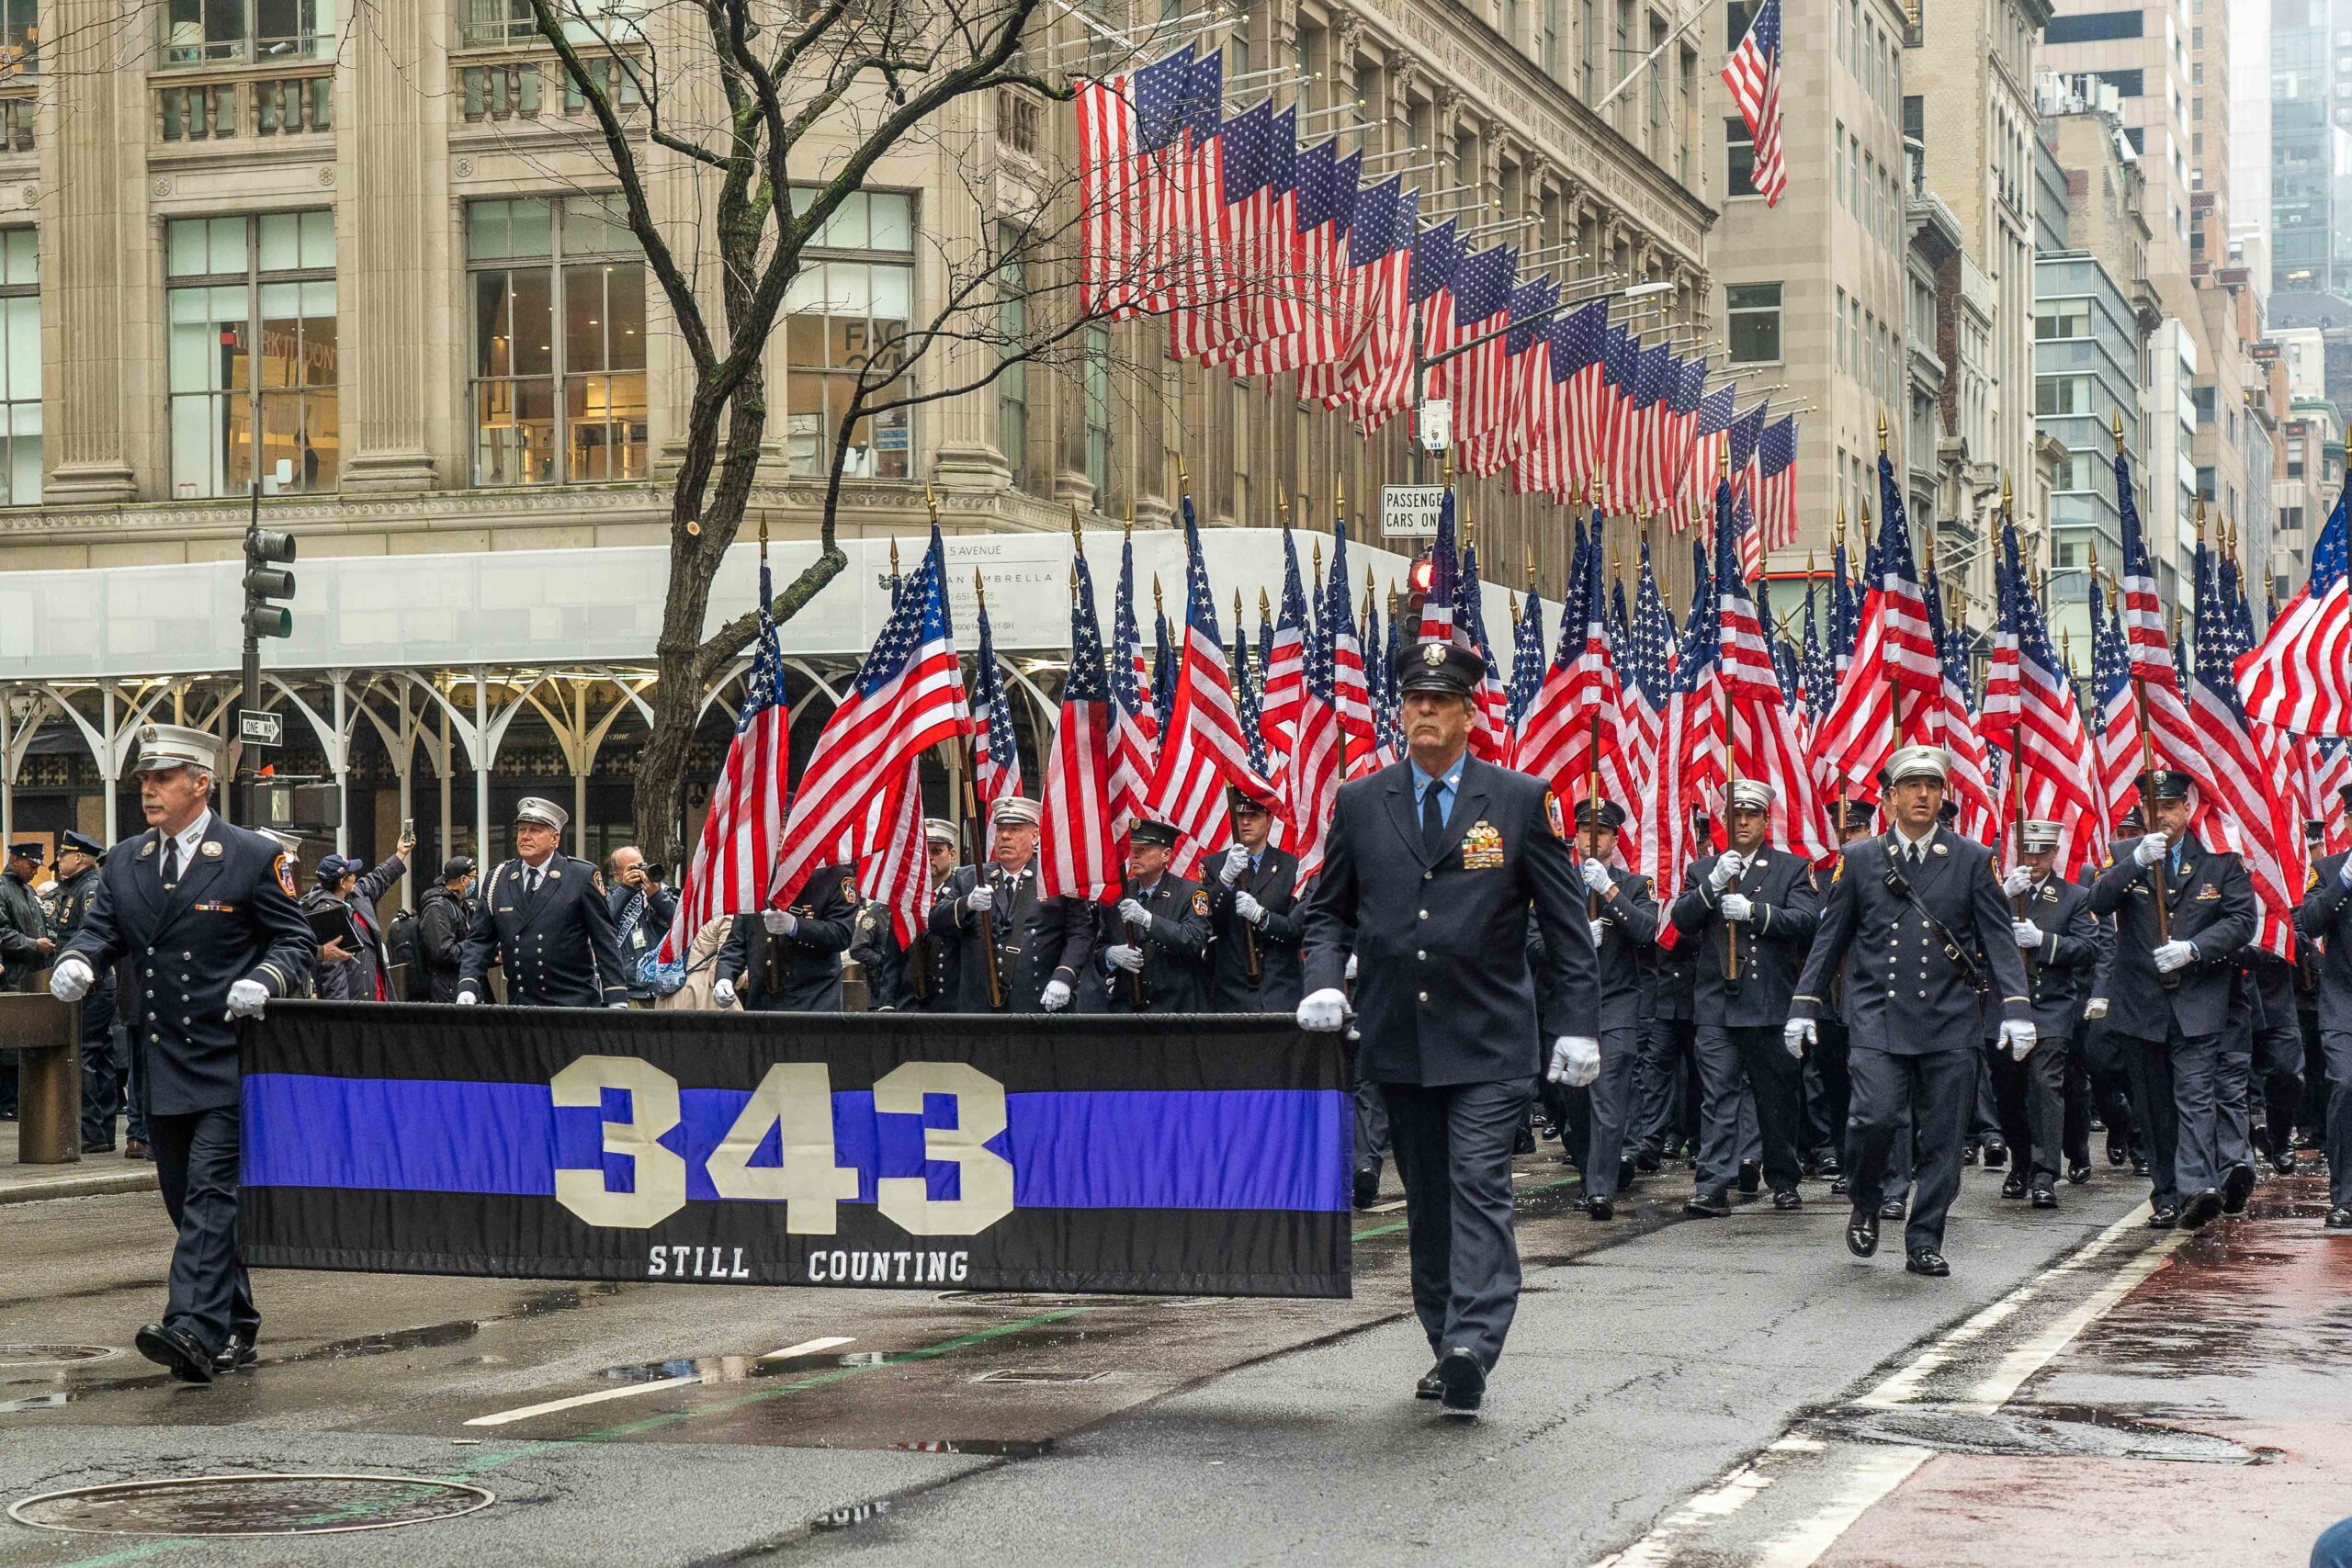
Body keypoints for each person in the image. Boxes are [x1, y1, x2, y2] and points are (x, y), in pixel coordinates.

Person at [1298, 638, 1600, 1420]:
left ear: (1470, 711)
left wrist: (1577, 1028)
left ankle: (1473, 1340)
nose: (1425, 711)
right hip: (1401, 1038)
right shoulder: (1362, 800)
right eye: (1414, 700)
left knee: (1477, 1186)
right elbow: (1327, 912)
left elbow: (1567, 930)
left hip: (1491, 1040)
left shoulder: (1518, 800)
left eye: (1441, 700)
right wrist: (1326, 981)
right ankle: (1447, 1346)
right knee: (1427, 1201)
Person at [48, 723, 314, 1383]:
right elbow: (100, 929)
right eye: (144, 778)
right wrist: (78, 960)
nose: (149, 789)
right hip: (162, 1062)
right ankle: (238, 1323)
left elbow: (296, 940)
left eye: (163, 777)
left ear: (201, 783)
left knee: (210, 1194)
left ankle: (192, 1327)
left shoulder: (251, 854)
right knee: (182, 1199)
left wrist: (268, 977)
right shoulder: (127, 859)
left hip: (227, 1055)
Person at [1788, 746, 2033, 1277]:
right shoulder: (1860, 860)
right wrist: (1803, 1005)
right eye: (1912, 785)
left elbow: (1996, 937)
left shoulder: (1970, 857)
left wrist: (2017, 1008)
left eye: (1933, 786)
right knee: (1873, 1118)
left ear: (1943, 795)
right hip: (1877, 1014)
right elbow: (1831, 939)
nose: (1924, 795)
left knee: (1943, 1138)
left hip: (1949, 1018)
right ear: (1890, 797)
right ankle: (1867, 1200)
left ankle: (1925, 1238)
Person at [2086, 769, 2256, 1232]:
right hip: (2141, 1002)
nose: (2160, 815)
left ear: (2187, 808)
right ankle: (2166, 1193)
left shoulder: (2220, 858)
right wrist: (2136, 862)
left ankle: (2196, 1189)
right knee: (2154, 1105)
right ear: (2142, 810)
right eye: (2152, 806)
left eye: (2170, 805)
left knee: (2195, 1097)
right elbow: (2096, 902)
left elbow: (2243, 921)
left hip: (2199, 997)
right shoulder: (2126, 853)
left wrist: (2194, 948)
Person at [1669, 778, 1821, 1217]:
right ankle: (1712, 1184)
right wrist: (1712, 886)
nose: (1742, 822)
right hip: (1717, 1003)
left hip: (1769, 1002)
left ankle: (1783, 1177)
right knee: (1717, 1096)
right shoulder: (1705, 869)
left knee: (1776, 1098)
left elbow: (1807, 920)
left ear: (1764, 819)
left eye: (1750, 814)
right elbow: (1681, 919)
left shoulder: (1791, 868)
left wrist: (1756, 913)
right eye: (1734, 815)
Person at [1988, 819, 2104, 1209]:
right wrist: (2001, 897)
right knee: (2008, 1091)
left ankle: (2043, 1174)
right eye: (2027, 852)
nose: (2034, 860)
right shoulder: (1995, 892)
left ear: (2055, 853)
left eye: (2041, 852)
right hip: (2004, 1006)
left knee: (2044, 1085)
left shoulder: (2073, 897)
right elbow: (1967, 933)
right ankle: (2020, 1162)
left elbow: (2088, 948)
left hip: (2050, 1004)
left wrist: (2044, 942)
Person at [1561, 801, 1657, 1220]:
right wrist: (1578, 937)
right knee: (1576, 1104)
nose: (1593, 838)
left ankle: (1601, 1190)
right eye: (1586, 831)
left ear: (1614, 841)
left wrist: (1609, 892)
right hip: (1568, 1008)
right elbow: (1531, 943)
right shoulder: (1556, 884)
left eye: (1602, 832)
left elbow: (1645, 931)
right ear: (1576, 836)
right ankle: (1588, 1174)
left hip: (1617, 1003)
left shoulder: (1634, 885)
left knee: (1609, 1096)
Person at [456, 798, 628, 1009]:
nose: (525, 836)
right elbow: (480, 940)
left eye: (535, 830)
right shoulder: (498, 878)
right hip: (521, 1005)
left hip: (573, 1005)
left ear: (555, 838)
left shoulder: (580, 876)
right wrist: (468, 985)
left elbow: (605, 941)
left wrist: (616, 999)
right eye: (522, 830)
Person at [931, 797, 1089, 1013]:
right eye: (1001, 829)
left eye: (1015, 829)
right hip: (980, 1007)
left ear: (1035, 836)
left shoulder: (1057, 879)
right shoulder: (970, 877)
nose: (1005, 836)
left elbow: (1080, 933)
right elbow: (935, 921)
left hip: (1038, 1003)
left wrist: (1065, 975)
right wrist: (965, 904)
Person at [2292, 790, 2352, 1231]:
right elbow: (2307, 923)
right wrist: (2343, 883)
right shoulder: (2329, 870)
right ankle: (2345, 1196)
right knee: (2346, 1086)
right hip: (2344, 1000)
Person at [48, 832, 125, 1153]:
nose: (60, 862)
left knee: (85, 1054)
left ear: (79, 857)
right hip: (92, 980)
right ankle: (101, 1132)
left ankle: (92, 1131)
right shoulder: (77, 888)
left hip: (90, 980)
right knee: (99, 1053)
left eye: (64, 855)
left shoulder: (90, 888)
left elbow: (92, 934)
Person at [1094, 819, 1215, 1014]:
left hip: (1175, 1007)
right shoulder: (1118, 895)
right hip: (1127, 1009)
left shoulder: (1190, 893)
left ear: (1165, 855)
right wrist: (1111, 955)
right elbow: (1099, 950)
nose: (1135, 855)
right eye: (1132, 849)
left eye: (1144, 849)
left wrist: (1149, 920)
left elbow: (1195, 939)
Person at [1207, 790, 1306, 1012]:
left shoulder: (1291, 867)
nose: (1245, 822)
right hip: (1231, 995)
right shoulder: (1214, 866)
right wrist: (1225, 880)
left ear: (1268, 819)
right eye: (1240, 815)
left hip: (1280, 991)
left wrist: (1263, 918)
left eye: (1253, 816)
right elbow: (1204, 923)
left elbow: (1299, 929)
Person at [713, 863, 858, 1012]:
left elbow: (841, 934)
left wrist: (796, 926)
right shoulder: (756, 876)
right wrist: (725, 977)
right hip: (761, 1004)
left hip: (813, 1003)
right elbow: (737, 942)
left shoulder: (833, 875)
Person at [856, 820, 958, 1010]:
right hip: (910, 1003)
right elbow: (894, 955)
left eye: (936, 851)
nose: (929, 858)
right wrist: (886, 1003)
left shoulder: (960, 896)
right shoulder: (906, 899)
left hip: (950, 1003)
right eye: (923, 852)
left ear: (952, 855)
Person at [302, 836, 411, 1002]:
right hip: (356, 1003)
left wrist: (400, 854)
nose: (355, 877)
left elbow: (378, 878)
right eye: (351, 874)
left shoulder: (353, 895)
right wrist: (344, 1015)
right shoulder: (326, 915)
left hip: (376, 993)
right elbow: (333, 972)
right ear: (341, 882)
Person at [605, 846, 679, 1006]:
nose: (639, 872)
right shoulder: (611, 896)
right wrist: (626, 890)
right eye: (632, 869)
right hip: (630, 991)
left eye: (641, 866)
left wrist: (656, 895)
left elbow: (680, 922)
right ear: (617, 876)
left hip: (663, 989)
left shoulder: (662, 893)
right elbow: (603, 921)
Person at [415, 857, 478, 1003]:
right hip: (446, 991)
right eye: (473, 878)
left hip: (459, 984)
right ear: (463, 880)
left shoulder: (460, 905)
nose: (474, 882)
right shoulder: (436, 908)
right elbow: (443, 952)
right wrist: (475, 947)